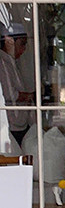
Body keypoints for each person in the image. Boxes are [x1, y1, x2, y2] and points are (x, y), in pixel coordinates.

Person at [0, 22, 35, 151]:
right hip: (13, 123)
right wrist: (30, 96)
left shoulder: (11, 61)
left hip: (20, 122)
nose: (24, 49)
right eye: (22, 44)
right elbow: (10, 95)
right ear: (9, 42)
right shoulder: (3, 62)